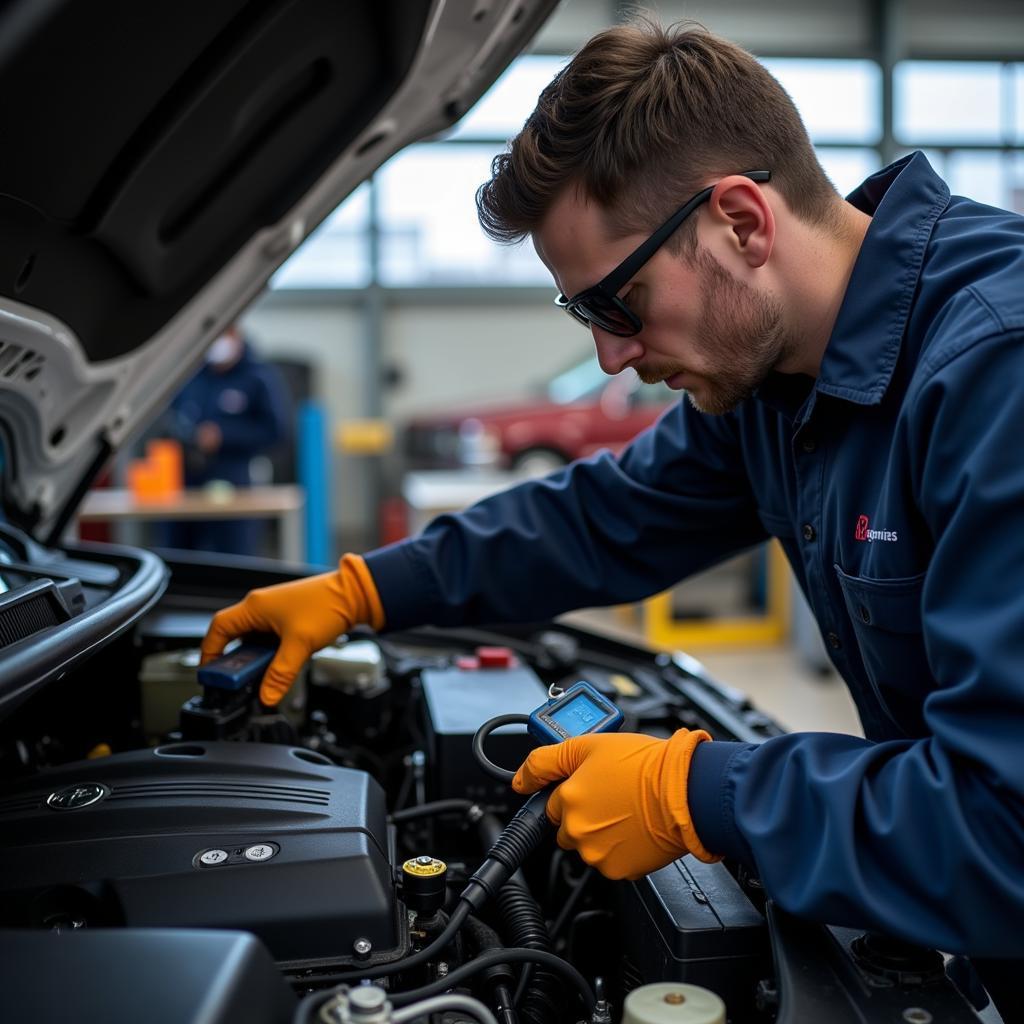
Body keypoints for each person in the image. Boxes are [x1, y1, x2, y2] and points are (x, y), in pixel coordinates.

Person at [202, 20, 1024, 1013]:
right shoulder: (776, 380)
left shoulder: (994, 376)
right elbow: (602, 518)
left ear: (741, 223)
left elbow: (1004, 826)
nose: (609, 358)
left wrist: (696, 792)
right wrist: (366, 589)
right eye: (581, 316)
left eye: (620, 301)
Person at [162, 324, 290, 556]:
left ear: (236, 335)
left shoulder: (258, 377)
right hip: (186, 485)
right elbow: (170, 418)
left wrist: (224, 435)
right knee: (179, 559)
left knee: (235, 558)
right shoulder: (191, 375)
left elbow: (275, 432)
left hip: (235, 485)